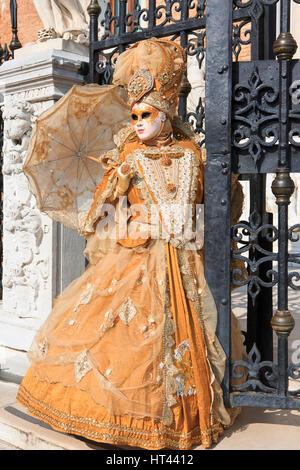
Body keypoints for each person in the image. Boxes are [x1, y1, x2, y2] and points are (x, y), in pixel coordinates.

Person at [17, 38, 246, 450]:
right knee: (124, 337)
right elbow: (97, 219)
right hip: (138, 257)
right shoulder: (129, 159)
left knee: (190, 338)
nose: (139, 121)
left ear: (166, 114)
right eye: (135, 114)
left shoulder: (193, 154)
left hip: (185, 258)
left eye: (148, 114)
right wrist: (117, 191)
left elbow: (213, 208)